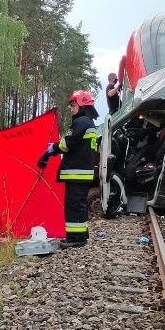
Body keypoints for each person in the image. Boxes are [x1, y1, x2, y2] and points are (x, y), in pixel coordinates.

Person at [37, 90, 99, 248]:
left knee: (73, 205)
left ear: (82, 105)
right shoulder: (89, 123)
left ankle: (75, 238)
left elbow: (67, 143)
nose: (71, 109)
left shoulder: (81, 122)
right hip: (83, 173)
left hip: (76, 173)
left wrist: (51, 150)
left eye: (73, 105)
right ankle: (81, 234)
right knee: (80, 204)